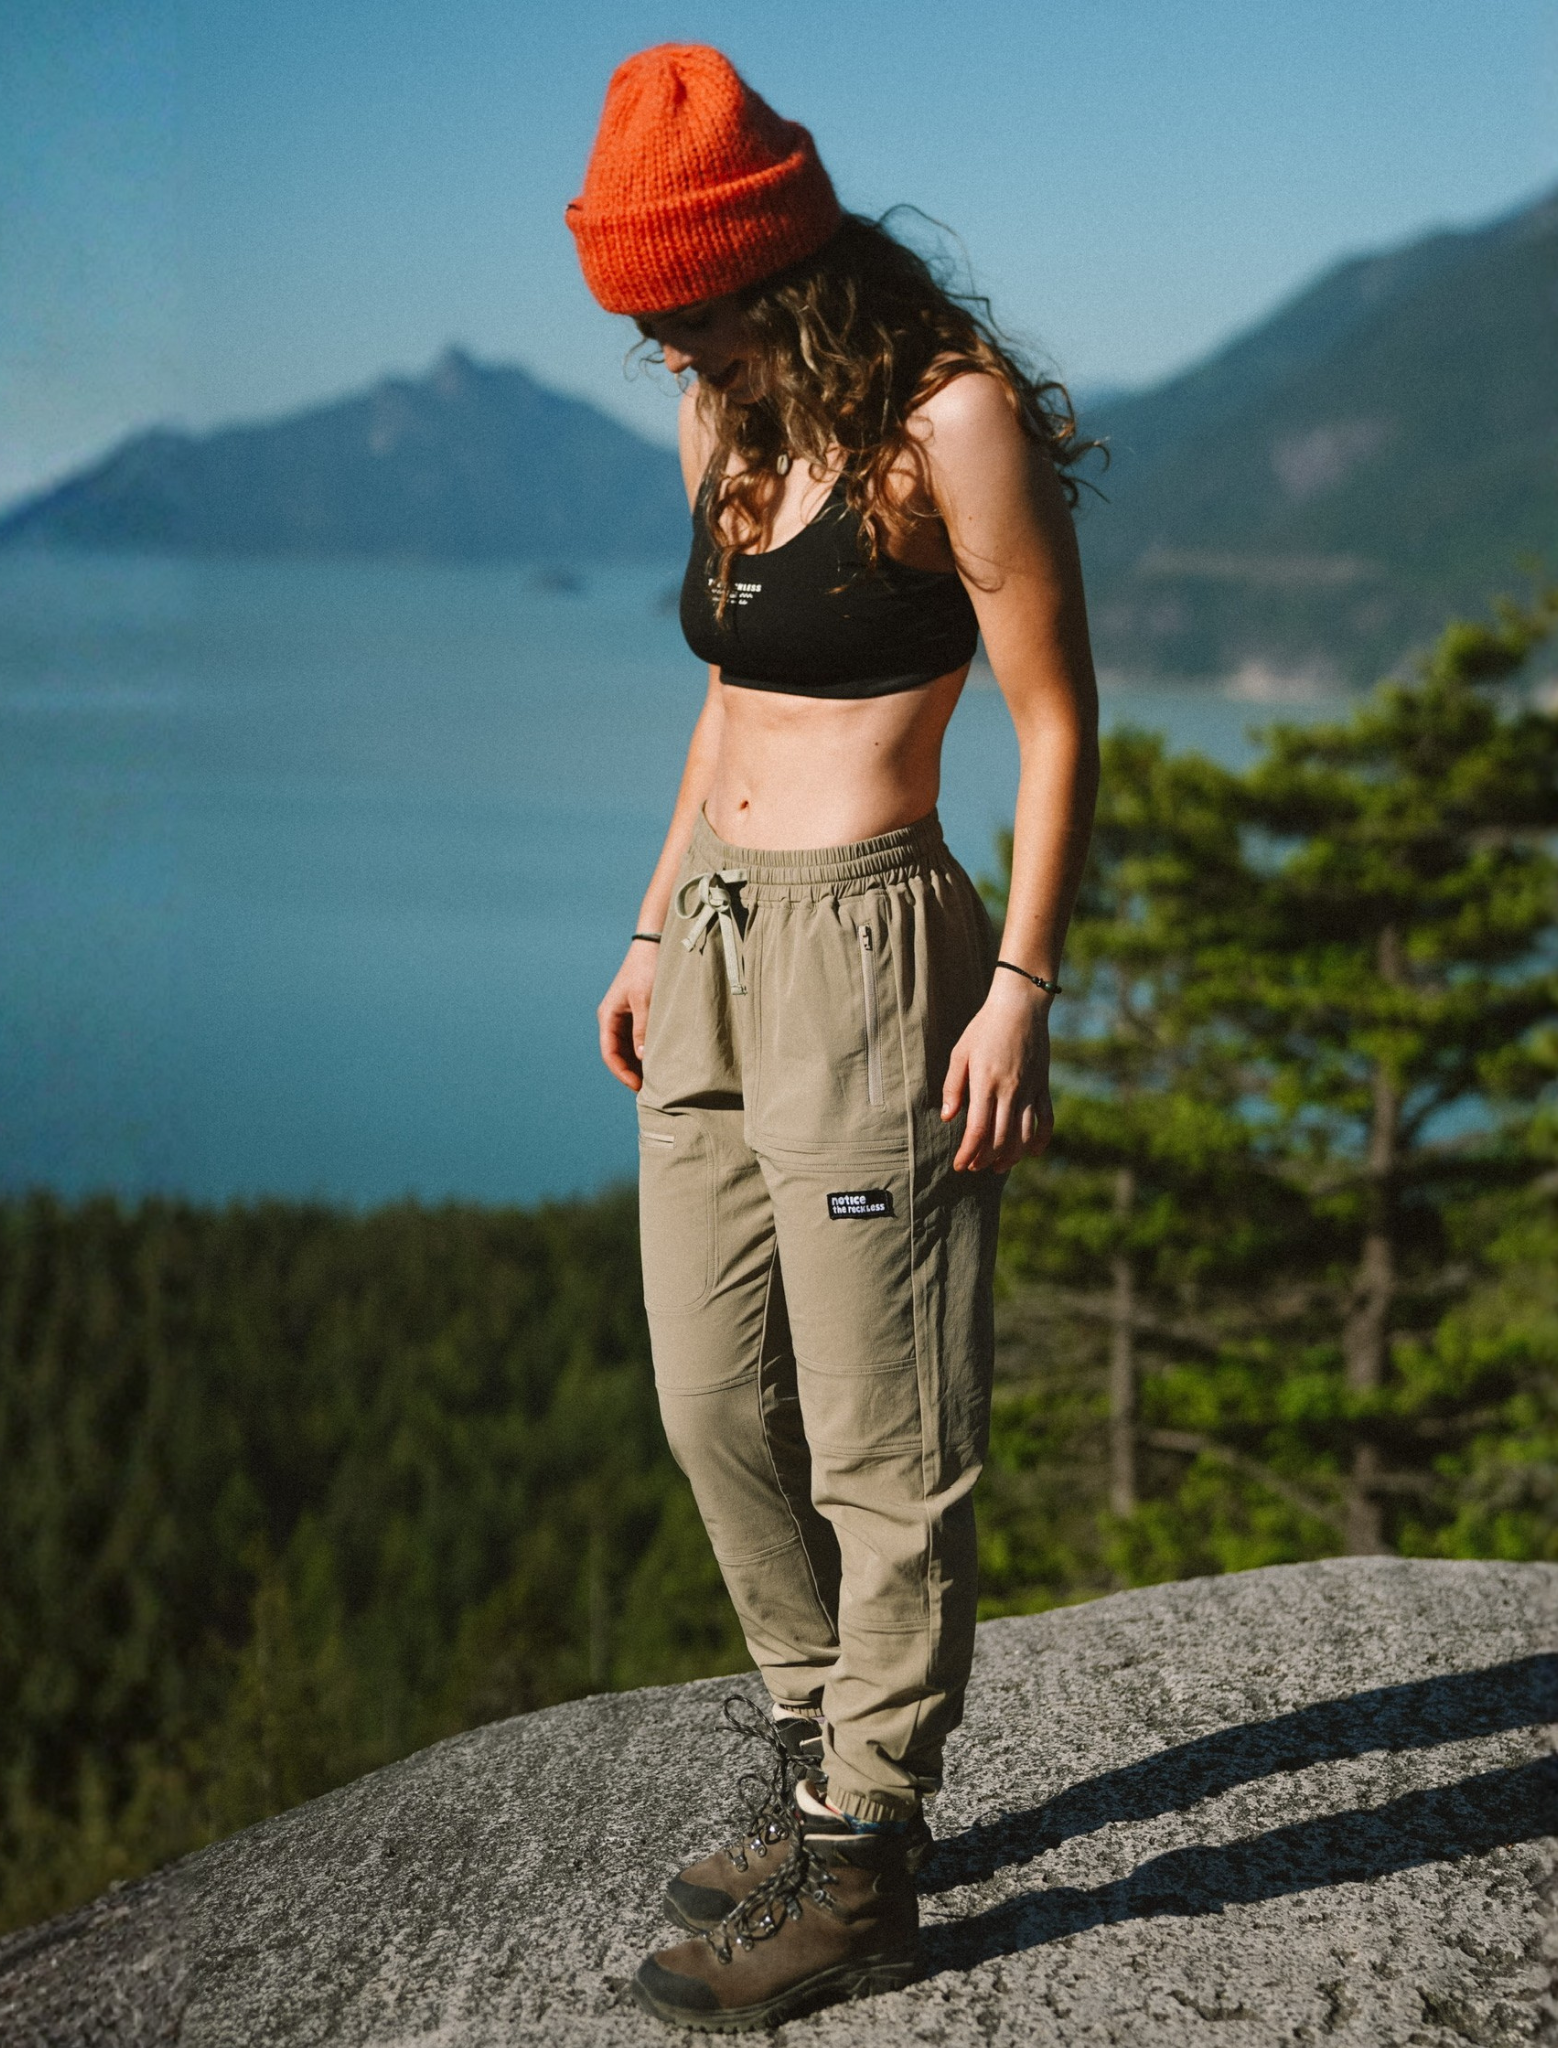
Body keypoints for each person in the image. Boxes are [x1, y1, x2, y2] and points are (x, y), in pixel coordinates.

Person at [568, 43, 1099, 2030]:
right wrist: (646, 921)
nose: (662, 348)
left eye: (682, 309)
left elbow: (1055, 720)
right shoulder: (718, 414)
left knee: (888, 1444)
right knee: (710, 1395)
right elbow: (728, 704)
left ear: (772, 267)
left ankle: (866, 1853)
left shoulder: (946, 425)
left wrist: (1022, 990)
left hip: (878, 952)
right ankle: (816, 1760)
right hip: (708, 935)